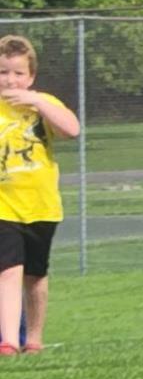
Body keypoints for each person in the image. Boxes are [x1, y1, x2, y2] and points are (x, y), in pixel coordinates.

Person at [0, 35, 80, 356]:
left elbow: (72, 130)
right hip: (5, 208)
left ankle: (33, 339)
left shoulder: (43, 104)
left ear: (31, 77)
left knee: (35, 276)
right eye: (4, 72)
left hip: (42, 206)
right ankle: (8, 341)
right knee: (8, 270)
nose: (11, 80)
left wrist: (38, 103)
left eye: (18, 73)